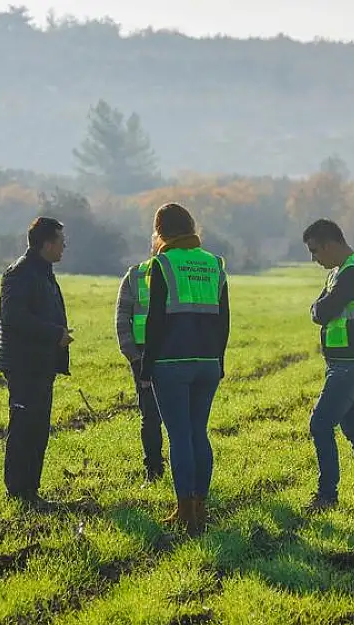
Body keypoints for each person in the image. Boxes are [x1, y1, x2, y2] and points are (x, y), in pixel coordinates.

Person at [139, 203, 229, 537]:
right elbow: (224, 320)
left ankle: (185, 512)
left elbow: (155, 321)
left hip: (171, 364)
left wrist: (146, 367)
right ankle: (201, 507)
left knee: (178, 437)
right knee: (198, 433)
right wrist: (218, 361)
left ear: (160, 230)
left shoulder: (162, 264)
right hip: (207, 363)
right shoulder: (214, 264)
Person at [301, 218, 354, 515]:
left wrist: (319, 307)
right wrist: (320, 307)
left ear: (330, 244)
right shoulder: (340, 272)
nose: (314, 259)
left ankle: (327, 496)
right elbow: (322, 308)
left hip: (352, 367)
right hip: (345, 363)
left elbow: (322, 310)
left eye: (315, 251)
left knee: (320, 424)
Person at [0, 216, 73, 508]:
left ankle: (31, 491)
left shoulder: (44, 272)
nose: (65, 247)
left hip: (42, 364)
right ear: (47, 244)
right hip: (25, 366)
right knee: (24, 428)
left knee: (38, 429)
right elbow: (14, 318)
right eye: (61, 242)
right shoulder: (20, 273)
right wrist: (55, 334)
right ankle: (17, 492)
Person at [114, 237, 166, 484]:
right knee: (151, 417)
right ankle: (154, 471)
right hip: (144, 356)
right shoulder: (135, 276)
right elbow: (122, 320)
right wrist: (135, 359)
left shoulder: (175, 274)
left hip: (172, 354)